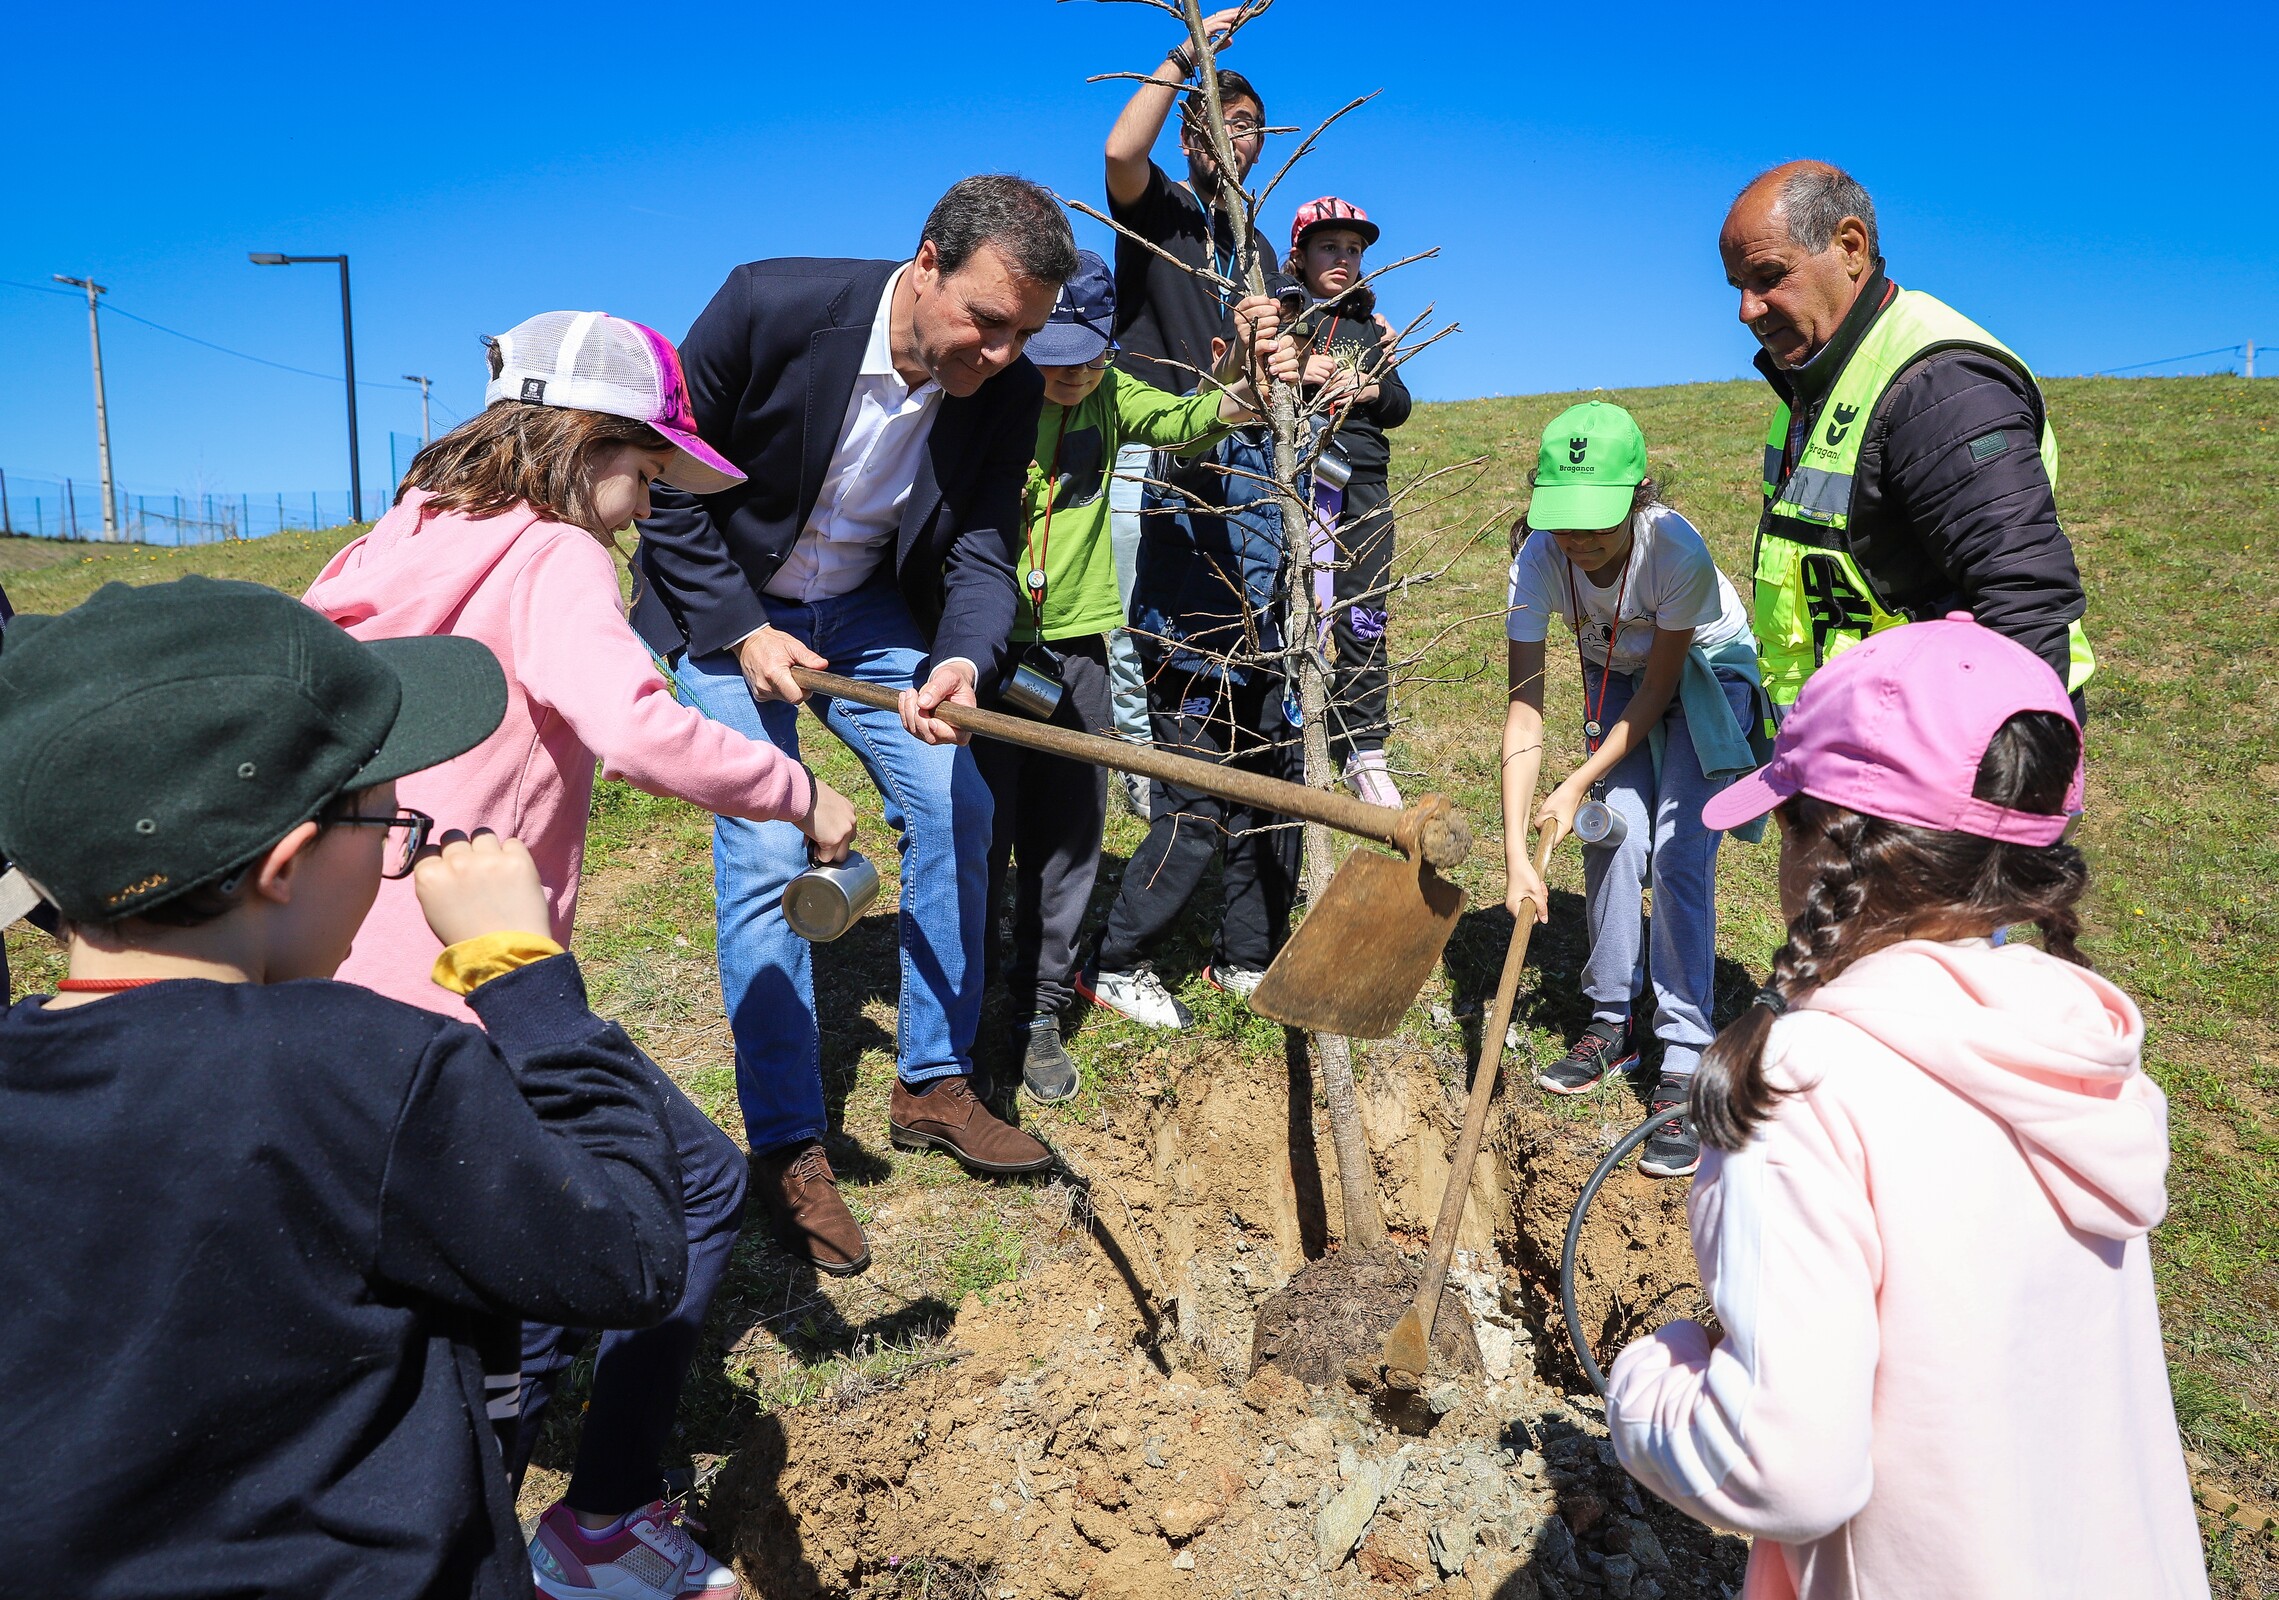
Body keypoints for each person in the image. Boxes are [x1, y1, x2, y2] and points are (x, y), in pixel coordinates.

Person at [305, 310, 859, 1599]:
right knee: (699, 1194)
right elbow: (634, 726)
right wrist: (796, 796)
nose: (645, 505)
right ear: (584, 442)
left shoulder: (391, 541)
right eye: (644, 472)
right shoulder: (556, 554)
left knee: (493, 1260)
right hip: (476, 977)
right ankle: (581, 1523)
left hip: (344, 958)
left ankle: (489, 1524)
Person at [0, 576, 692, 1595]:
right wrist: (526, 979)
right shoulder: (366, 1070)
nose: (399, 849)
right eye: (388, 822)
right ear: (286, 863)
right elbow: (629, 1254)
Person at [1606, 616, 2208, 1599]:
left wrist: (1649, 1382)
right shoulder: (2078, 1049)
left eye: (1782, 820)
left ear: (1824, 846)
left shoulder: (1804, 1090)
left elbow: (1779, 1465)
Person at [633, 176, 1076, 1276]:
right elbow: (665, 486)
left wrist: (962, 657)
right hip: (728, 599)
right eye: (985, 319)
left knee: (952, 800)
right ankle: (787, 1143)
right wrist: (741, 630)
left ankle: (931, 1080)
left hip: (870, 608)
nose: (1002, 353)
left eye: (1023, 332)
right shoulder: (767, 310)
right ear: (926, 261)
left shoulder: (1003, 387)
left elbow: (979, 545)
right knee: (768, 840)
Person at [982, 250, 1289, 1097]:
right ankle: (968, 1004)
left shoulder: (1115, 396)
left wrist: (1255, 374)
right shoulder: (991, 398)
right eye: (1054, 353)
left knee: (1071, 837)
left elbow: (1198, 419)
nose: (1072, 373)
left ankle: (1040, 1009)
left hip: (1075, 649)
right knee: (978, 833)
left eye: (1089, 353)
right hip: (983, 646)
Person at [1722, 160, 2095, 720]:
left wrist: (1990, 788)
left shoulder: (1938, 382)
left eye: (1770, 276)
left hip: (1937, 759)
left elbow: (2024, 601)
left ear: (1851, 247)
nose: (1747, 309)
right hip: (1859, 744)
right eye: (1738, 287)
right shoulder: (1819, 380)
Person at [1502, 403, 1764, 1179]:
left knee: (1680, 851)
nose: (1579, 544)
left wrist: (1576, 775)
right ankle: (1610, 1022)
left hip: (1703, 679)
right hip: (1613, 672)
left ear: (1639, 495)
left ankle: (1682, 1056)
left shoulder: (1672, 548)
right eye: (1565, 523)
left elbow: (1659, 696)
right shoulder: (1536, 558)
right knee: (1611, 832)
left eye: (1597, 524)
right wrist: (1517, 850)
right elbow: (1523, 710)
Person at [1080, 336, 1300, 1030]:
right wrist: (1237, 380)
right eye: (1264, 359)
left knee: (1277, 801)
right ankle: (1113, 962)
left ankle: (1245, 955)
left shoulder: (1297, 439)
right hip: (1191, 655)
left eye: (1289, 357)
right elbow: (1190, 451)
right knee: (1196, 811)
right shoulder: (1194, 426)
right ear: (1224, 354)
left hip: (1273, 653)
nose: (1278, 375)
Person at [1101, 9, 1267, 799]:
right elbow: (1117, 150)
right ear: (1189, 136)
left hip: (1231, 454)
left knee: (1207, 614)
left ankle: (1205, 760)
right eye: (1217, 125)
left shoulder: (1257, 247)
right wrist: (1183, 56)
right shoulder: (1159, 207)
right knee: (1130, 612)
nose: (1236, 139)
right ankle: (1143, 774)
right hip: (1148, 444)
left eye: (1249, 126)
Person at [1282, 195, 1412, 806]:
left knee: (1364, 609)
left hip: (1360, 480)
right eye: (1329, 247)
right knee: (1291, 603)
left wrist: (1362, 386)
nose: (1343, 258)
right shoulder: (1280, 315)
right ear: (1300, 255)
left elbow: (1400, 404)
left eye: (1354, 250)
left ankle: (1364, 746)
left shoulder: (1370, 326)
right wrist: (1302, 369)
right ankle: (1288, 730)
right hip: (1289, 475)